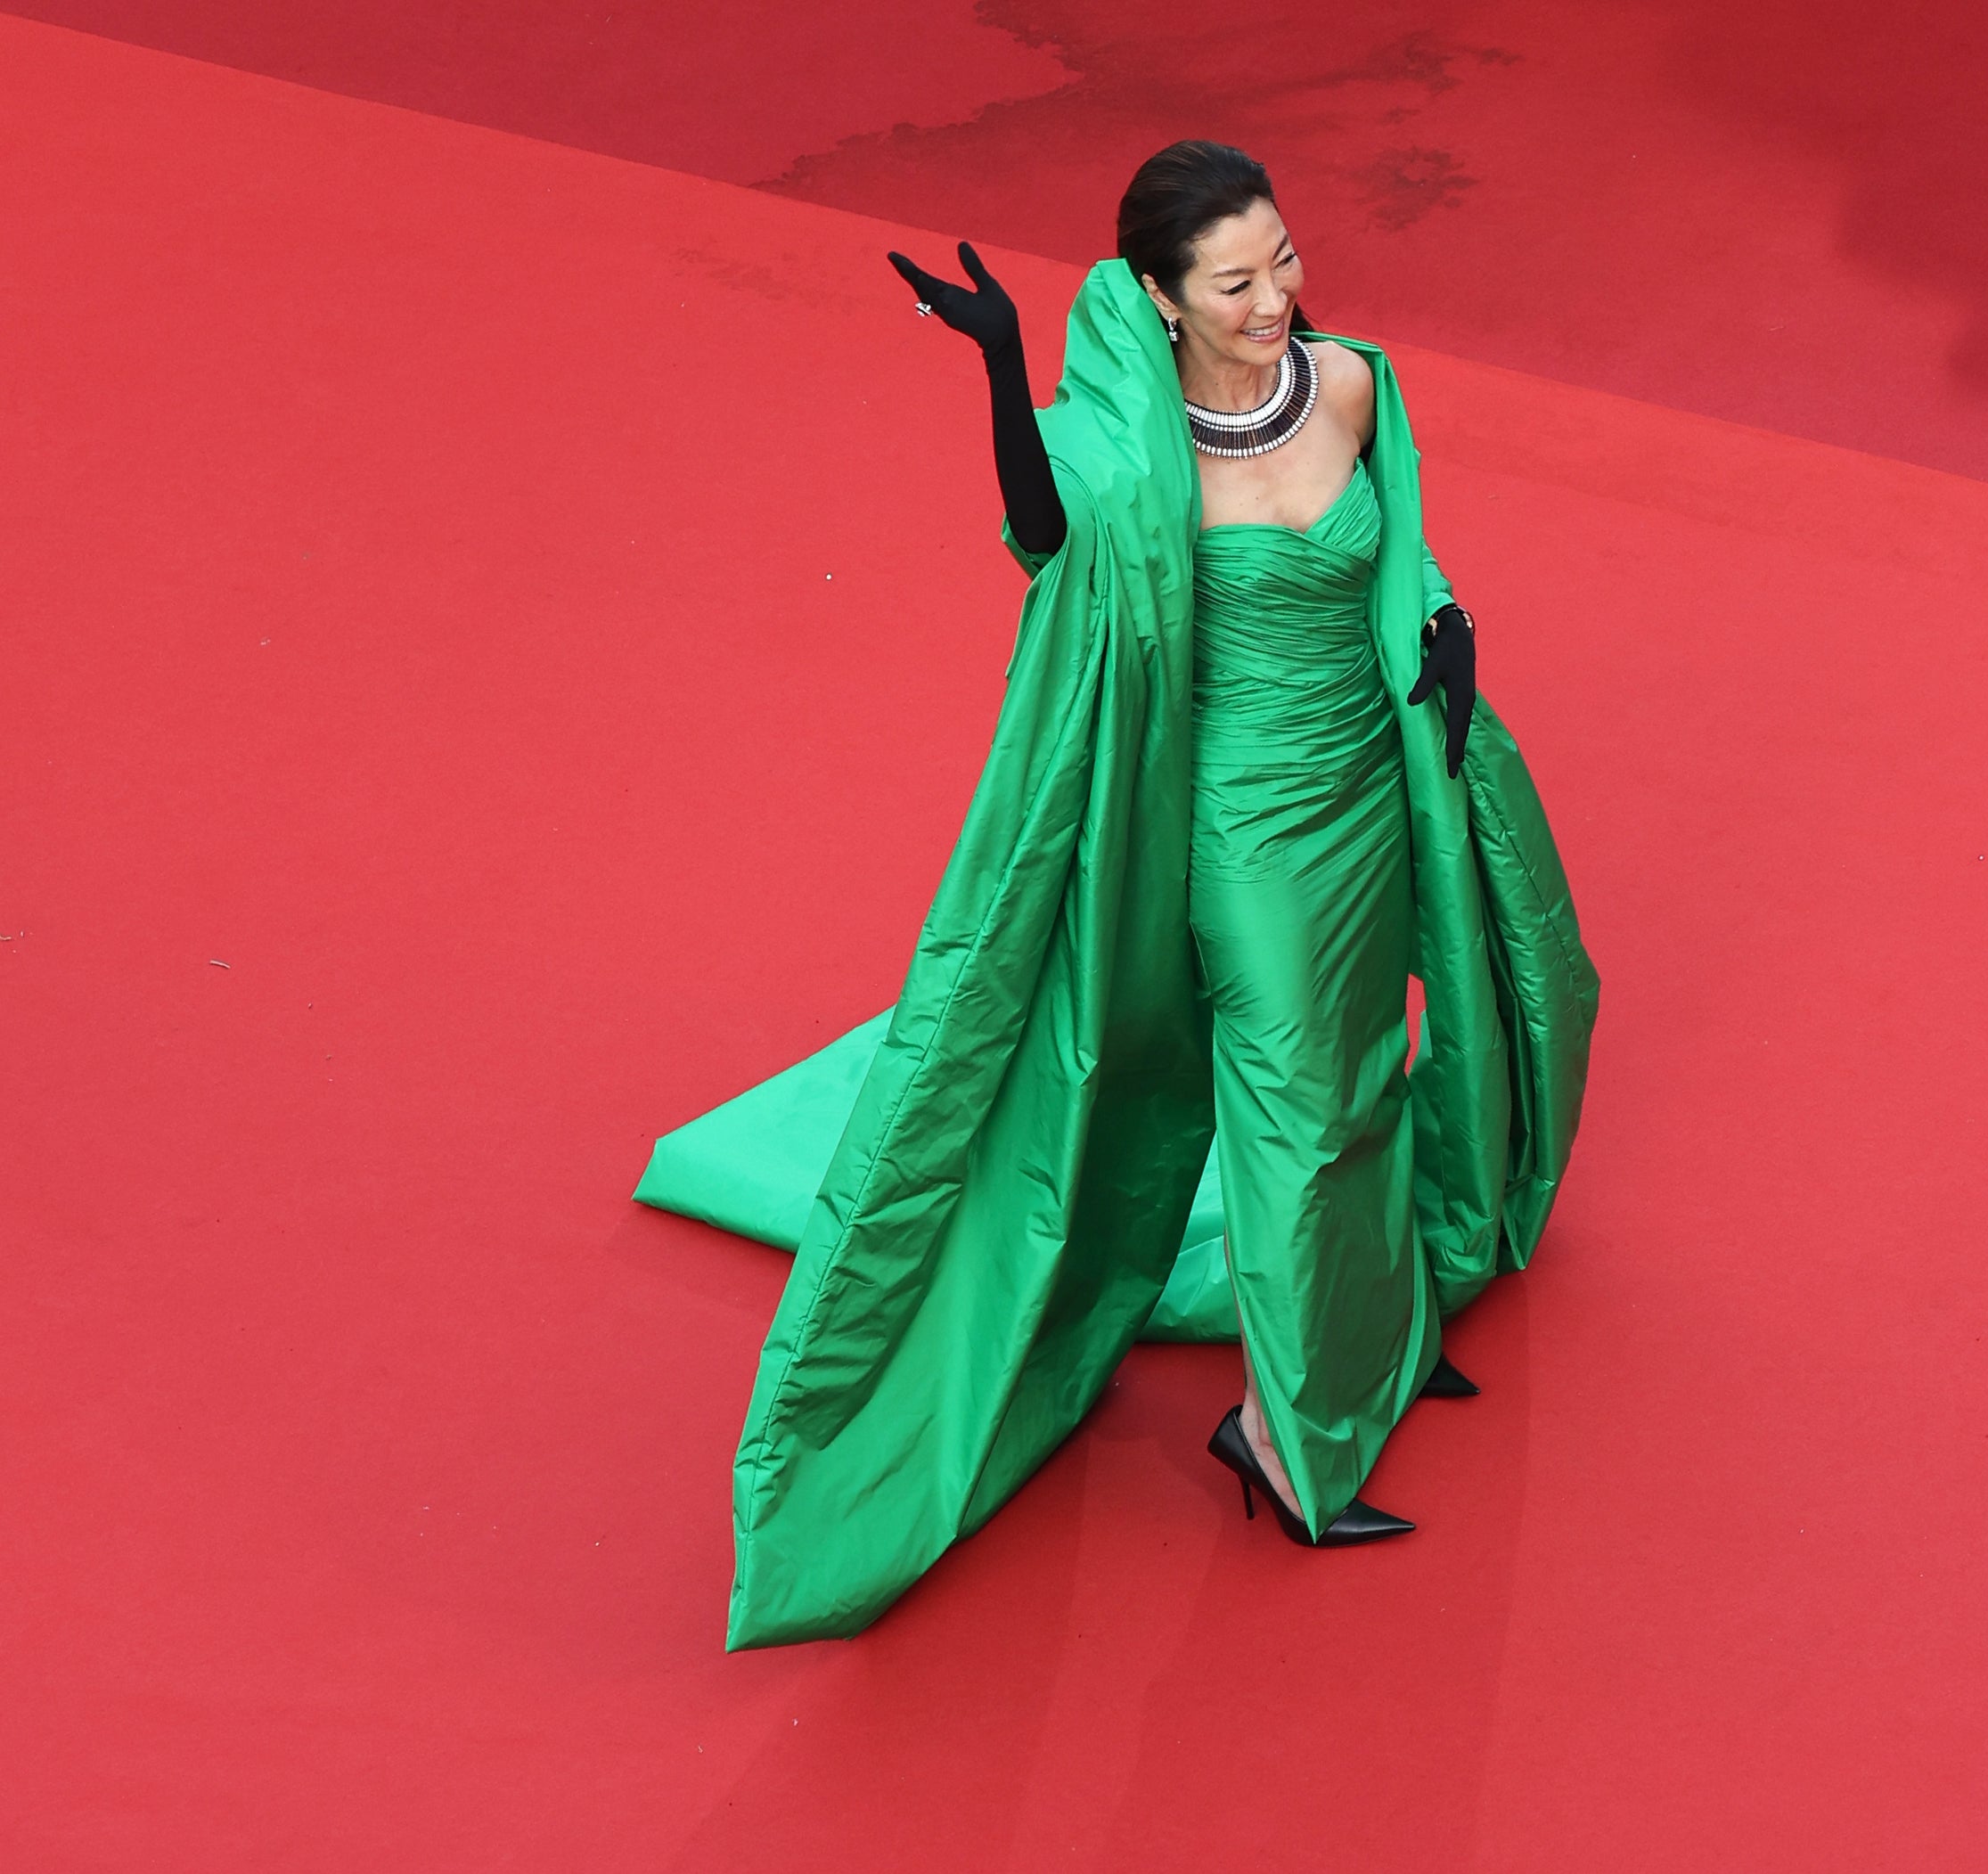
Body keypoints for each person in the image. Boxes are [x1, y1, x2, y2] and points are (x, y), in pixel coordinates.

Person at [649, 141, 1596, 1645]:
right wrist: (1003, 369)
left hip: (1372, 790)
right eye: (1235, 279)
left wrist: (1443, 627)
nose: (1277, 296)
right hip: (1241, 828)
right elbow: (1048, 542)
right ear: (1159, 297)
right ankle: (1285, 1444)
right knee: (1295, 1107)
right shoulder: (1127, 444)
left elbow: (1397, 552)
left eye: (1283, 258)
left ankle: (1371, 1339)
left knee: (1357, 1082)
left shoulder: (1351, 383)